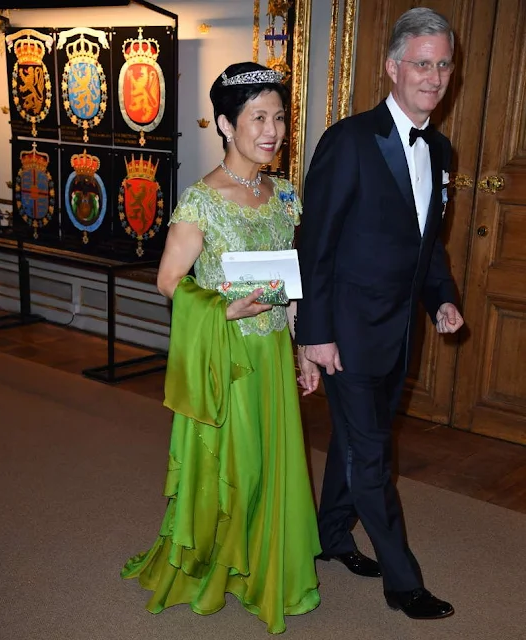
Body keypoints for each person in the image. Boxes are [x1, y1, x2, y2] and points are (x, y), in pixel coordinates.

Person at [120, 61, 321, 635]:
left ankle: (263, 567)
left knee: (272, 467)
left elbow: (290, 283)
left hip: (273, 357)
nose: (273, 131)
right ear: (227, 126)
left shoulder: (284, 195)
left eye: (279, 117)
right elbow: (168, 280)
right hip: (226, 360)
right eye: (259, 117)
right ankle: (220, 563)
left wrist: (302, 348)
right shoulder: (200, 201)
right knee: (236, 469)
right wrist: (222, 309)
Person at [295, 7, 464, 620]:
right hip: (344, 330)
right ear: (393, 67)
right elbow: (315, 244)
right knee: (372, 455)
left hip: (399, 332)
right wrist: (314, 334)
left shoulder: (440, 149)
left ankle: (332, 534)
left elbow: (428, 242)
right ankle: (403, 582)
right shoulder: (349, 139)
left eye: (443, 64)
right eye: (422, 63)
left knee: (355, 438)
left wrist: (441, 298)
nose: (434, 76)